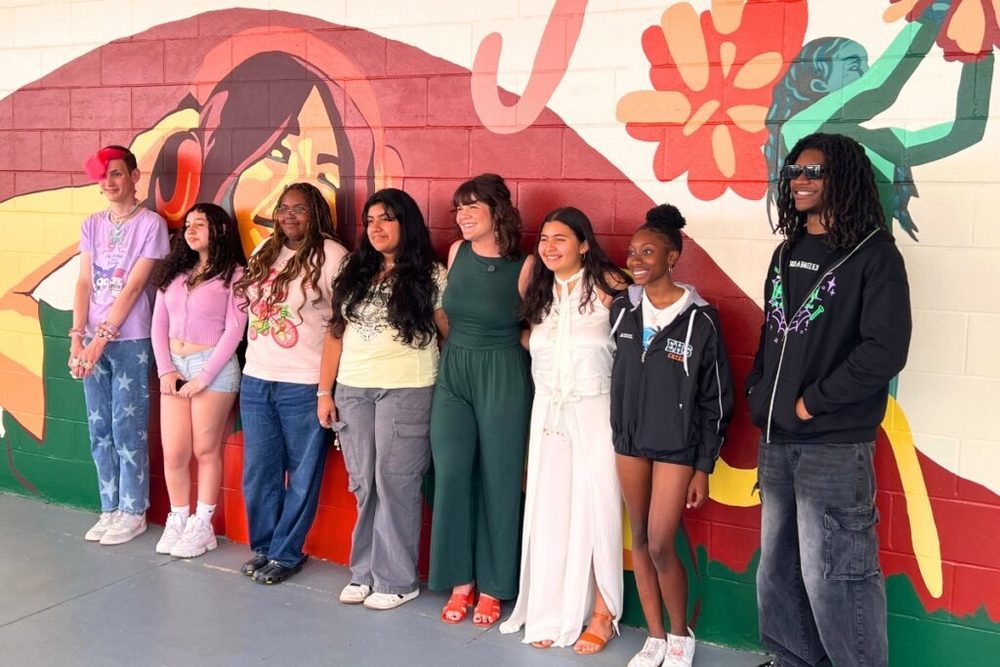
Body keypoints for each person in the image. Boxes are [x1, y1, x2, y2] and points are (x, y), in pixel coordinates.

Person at [747, 132, 911, 667]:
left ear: (841, 178)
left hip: (834, 446)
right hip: (776, 441)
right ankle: (792, 660)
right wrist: (760, 393)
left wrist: (811, 403)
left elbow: (884, 351)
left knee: (838, 577)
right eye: (794, 171)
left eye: (813, 172)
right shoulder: (786, 251)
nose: (799, 180)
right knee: (777, 570)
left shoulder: (875, 256)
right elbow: (771, 333)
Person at [499, 208, 629, 653]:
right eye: (544, 239)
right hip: (548, 413)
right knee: (550, 508)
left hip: (596, 410)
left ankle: (602, 613)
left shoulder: (610, 285)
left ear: (584, 244)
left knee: (598, 507)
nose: (550, 247)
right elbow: (530, 338)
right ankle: (551, 608)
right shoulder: (539, 290)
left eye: (561, 239)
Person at [610, 204, 733, 667]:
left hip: (676, 446)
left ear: (672, 256)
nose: (636, 260)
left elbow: (716, 399)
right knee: (640, 538)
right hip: (629, 441)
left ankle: (681, 634)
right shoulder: (622, 309)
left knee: (662, 541)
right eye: (632, 252)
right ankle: (656, 636)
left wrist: (704, 466)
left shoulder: (701, 319)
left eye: (648, 252)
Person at [317, 188, 448, 610]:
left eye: (386, 218)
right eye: (370, 220)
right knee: (364, 483)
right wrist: (325, 391)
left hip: (407, 388)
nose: (376, 227)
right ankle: (364, 573)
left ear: (406, 223)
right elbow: (335, 334)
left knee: (396, 484)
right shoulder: (353, 268)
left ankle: (397, 580)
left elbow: (448, 334)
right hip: (353, 389)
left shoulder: (431, 273)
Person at [429, 174, 534, 628]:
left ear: (498, 211)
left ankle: (493, 586)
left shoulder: (526, 265)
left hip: (503, 373)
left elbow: (536, 327)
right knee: (451, 473)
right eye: (459, 207)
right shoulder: (456, 252)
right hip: (455, 369)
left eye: (473, 206)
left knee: (499, 479)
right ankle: (460, 580)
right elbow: (447, 316)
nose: (463, 215)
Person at [234, 182, 348, 584]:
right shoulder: (264, 251)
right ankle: (265, 546)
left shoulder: (332, 255)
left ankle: (286, 553)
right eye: (283, 208)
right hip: (257, 378)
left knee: (302, 474)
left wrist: (326, 389)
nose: (289, 215)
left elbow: (340, 324)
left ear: (316, 213)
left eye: (299, 208)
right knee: (259, 472)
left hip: (304, 382)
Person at [71, 145, 170, 545]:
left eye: (116, 173)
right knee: (99, 428)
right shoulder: (91, 224)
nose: (109, 182)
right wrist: (77, 337)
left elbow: (133, 286)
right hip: (91, 340)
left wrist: (100, 339)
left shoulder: (151, 224)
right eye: (103, 176)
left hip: (130, 339)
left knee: (126, 427)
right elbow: (83, 282)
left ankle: (133, 511)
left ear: (134, 176)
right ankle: (108, 507)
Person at [150, 203, 247, 558]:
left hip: (214, 368)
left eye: (199, 224)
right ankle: (178, 518)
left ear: (218, 230)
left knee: (205, 450)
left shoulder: (236, 275)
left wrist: (204, 377)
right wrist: (166, 369)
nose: (190, 230)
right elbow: (159, 325)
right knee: (174, 451)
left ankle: (202, 525)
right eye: (187, 225)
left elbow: (235, 331)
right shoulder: (173, 273)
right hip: (174, 367)